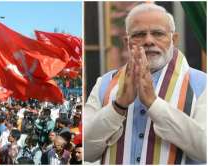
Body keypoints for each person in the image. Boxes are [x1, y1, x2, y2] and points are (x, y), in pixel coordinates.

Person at [84, 3, 206, 165]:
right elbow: (85, 151)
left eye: (158, 33)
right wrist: (118, 106)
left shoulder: (201, 84)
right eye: (139, 34)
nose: (148, 41)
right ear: (127, 41)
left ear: (174, 39)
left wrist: (154, 104)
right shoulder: (105, 83)